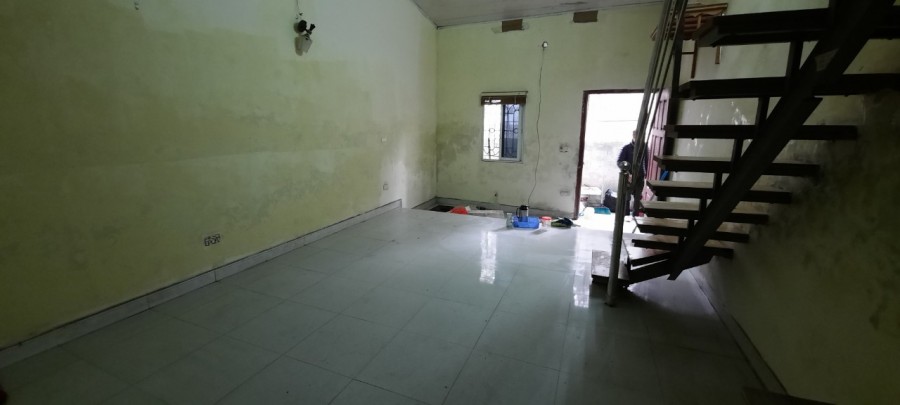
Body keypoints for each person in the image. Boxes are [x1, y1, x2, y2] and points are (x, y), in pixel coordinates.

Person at [616, 131, 647, 215]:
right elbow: (619, 162)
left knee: (637, 200)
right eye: (637, 137)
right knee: (626, 198)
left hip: (640, 177)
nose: (640, 139)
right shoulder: (626, 148)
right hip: (628, 177)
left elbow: (646, 161)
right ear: (634, 136)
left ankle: (635, 217)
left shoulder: (644, 148)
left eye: (641, 138)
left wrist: (645, 173)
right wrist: (627, 173)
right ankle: (625, 216)